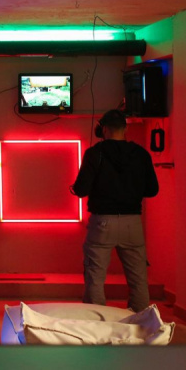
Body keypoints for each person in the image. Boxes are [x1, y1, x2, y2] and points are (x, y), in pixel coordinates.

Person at [71, 109, 159, 312]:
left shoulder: (95, 153)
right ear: (125, 129)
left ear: (103, 129)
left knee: (95, 277)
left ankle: (97, 322)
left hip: (102, 222)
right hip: (132, 223)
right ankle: (140, 322)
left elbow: (81, 189)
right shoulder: (141, 154)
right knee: (138, 278)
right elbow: (152, 190)